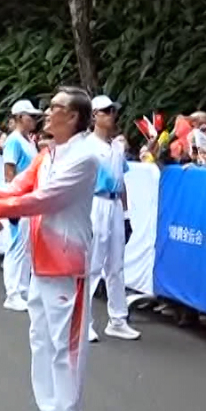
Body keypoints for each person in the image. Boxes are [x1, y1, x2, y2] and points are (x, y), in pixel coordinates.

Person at [0, 86, 98, 411]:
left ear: (74, 117)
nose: (47, 113)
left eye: (55, 108)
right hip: (40, 260)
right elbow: (19, 186)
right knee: (41, 338)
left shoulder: (85, 158)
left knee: (65, 345)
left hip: (67, 262)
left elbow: (44, 200)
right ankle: (49, 409)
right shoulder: (47, 154)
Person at [86, 95, 140, 342]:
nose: (111, 115)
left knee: (116, 264)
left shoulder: (117, 148)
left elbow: (123, 181)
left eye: (112, 111)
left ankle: (118, 319)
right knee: (93, 264)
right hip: (95, 203)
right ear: (94, 115)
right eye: (106, 111)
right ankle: (83, 321)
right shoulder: (86, 146)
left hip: (115, 204)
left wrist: (127, 215)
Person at [1, 99, 40, 311]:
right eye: (30, 116)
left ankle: (23, 288)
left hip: (30, 199)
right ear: (18, 118)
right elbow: (9, 173)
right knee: (16, 245)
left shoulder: (29, 141)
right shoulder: (13, 141)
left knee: (26, 247)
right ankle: (12, 292)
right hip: (19, 199)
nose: (34, 120)